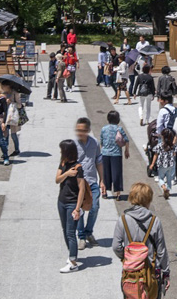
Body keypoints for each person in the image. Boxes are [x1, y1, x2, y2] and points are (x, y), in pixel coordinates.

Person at [113, 182, 169, 299]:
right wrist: (166, 273)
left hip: (130, 274)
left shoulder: (123, 220)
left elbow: (116, 246)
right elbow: (161, 252)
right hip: (151, 276)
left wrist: (127, 259)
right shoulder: (155, 221)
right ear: (147, 199)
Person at [56, 140, 93, 273]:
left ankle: (73, 262)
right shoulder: (63, 164)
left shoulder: (78, 168)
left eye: (62, 150)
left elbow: (82, 190)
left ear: (67, 151)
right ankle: (71, 254)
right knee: (65, 230)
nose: (61, 153)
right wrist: (66, 174)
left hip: (72, 204)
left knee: (71, 233)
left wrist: (77, 209)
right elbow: (57, 180)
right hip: (61, 201)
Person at [74, 117, 105, 247]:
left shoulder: (94, 143)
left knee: (95, 207)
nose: (80, 132)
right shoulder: (74, 145)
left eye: (83, 130)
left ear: (88, 130)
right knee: (80, 209)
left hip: (92, 180)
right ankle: (81, 236)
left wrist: (102, 180)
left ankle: (88, 232)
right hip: (78, 182)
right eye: (78, 130)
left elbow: (99, 161)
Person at [100, 110, 131, 201]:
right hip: (116, 154)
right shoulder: (119, 129)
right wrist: (126, 151)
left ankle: (105, 192)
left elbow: (102, 142)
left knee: (106, 173)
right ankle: (118, 193)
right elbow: (127, 140)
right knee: (117, 173)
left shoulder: (103, 129)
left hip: (105, 153)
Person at [150, 128, 177, 199]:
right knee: (169, 178)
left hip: (162, 164)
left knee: (160, 178)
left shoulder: (160, 145)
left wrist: (152, 164)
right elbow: (175, 153)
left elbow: (155, 154)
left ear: (162, 136)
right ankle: (168, 190)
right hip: (170, 165)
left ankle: (164, 187)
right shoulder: (172, 146)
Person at [2, 81, 25, 156]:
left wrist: (11, 102)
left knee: (13, 134)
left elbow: (19, 105)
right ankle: (5, 151)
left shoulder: (15, 93)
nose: (2, 87)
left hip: (12, 116)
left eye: (4, 86)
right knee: (5, 135)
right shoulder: (3, 93)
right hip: (5, 116)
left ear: (8, 86)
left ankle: (17, 149)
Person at [133, 61, 157, 125]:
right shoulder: (150, 77)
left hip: (141, 92)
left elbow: (136, 85)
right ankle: (147, 120)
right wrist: (153, 94)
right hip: (149, 93)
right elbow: (153, 87)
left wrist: (134, 93)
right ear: (149, 70)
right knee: (148, 107)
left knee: (141, 105)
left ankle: (141, 117)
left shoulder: (139, 76)